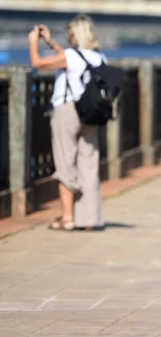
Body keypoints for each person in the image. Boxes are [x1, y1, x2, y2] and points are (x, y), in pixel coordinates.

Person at [29, 14, 106, 231]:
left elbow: (37, 64)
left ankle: (68, 218)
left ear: (74, 35)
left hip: (68, 110)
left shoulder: (71, 56)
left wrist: (33, 42)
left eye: (69, 34)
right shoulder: (100, 57)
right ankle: (90, 218)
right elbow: (70, 58)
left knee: (65, 163)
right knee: (89, 165)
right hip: (92, 113)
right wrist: (51, 42)